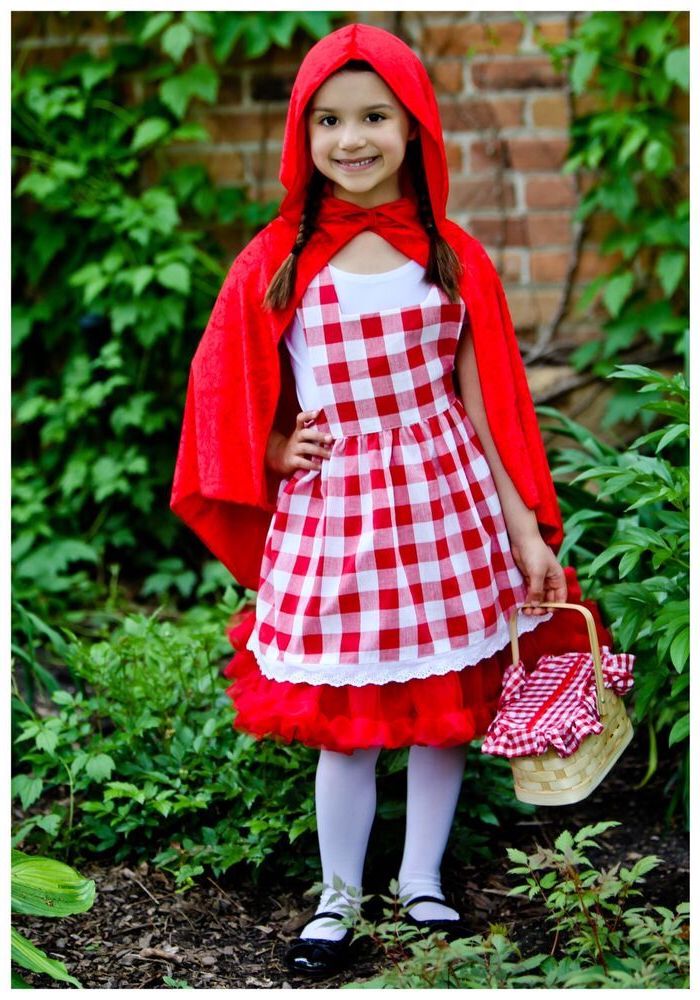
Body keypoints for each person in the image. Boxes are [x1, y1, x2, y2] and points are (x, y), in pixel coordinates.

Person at [171, 23, 570, 977]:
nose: (352, 139)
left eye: (374, 117)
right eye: (329, 120)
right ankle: (338, 897)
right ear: (301, 136)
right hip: (336, 512)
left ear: (414, 126)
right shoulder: (278, 258)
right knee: (344, 721)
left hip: (445, 505)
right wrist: (271, 446)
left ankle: (423, 881)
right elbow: (221, 391)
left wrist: (524, 531)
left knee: (444, 710)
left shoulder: (450, 255)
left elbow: (493, 403)